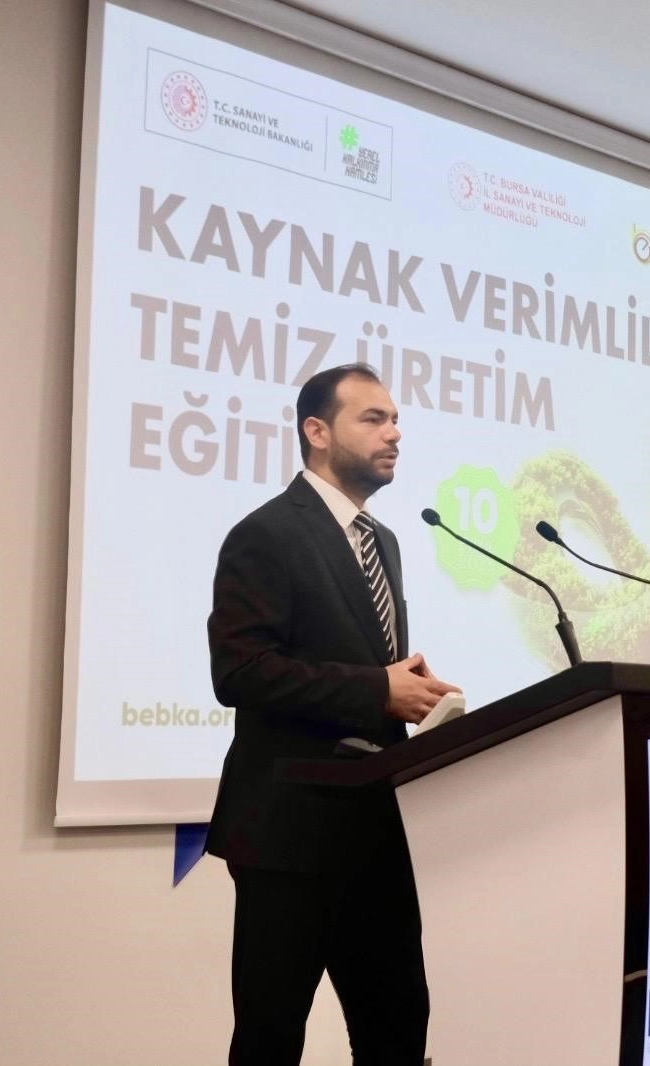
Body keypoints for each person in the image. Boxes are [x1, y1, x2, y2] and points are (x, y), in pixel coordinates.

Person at [206, 363, 459, 1066]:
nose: (394, 433)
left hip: (374, 830)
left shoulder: (384, 542)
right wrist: (375, 689)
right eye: (373, 419)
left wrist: (411, 689)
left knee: (397, 1031)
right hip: (288, 835)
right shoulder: (266, 534)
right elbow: (239, 671)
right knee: (270, 1039)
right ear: (317, 432)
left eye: (396, 419)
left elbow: (357, 661)